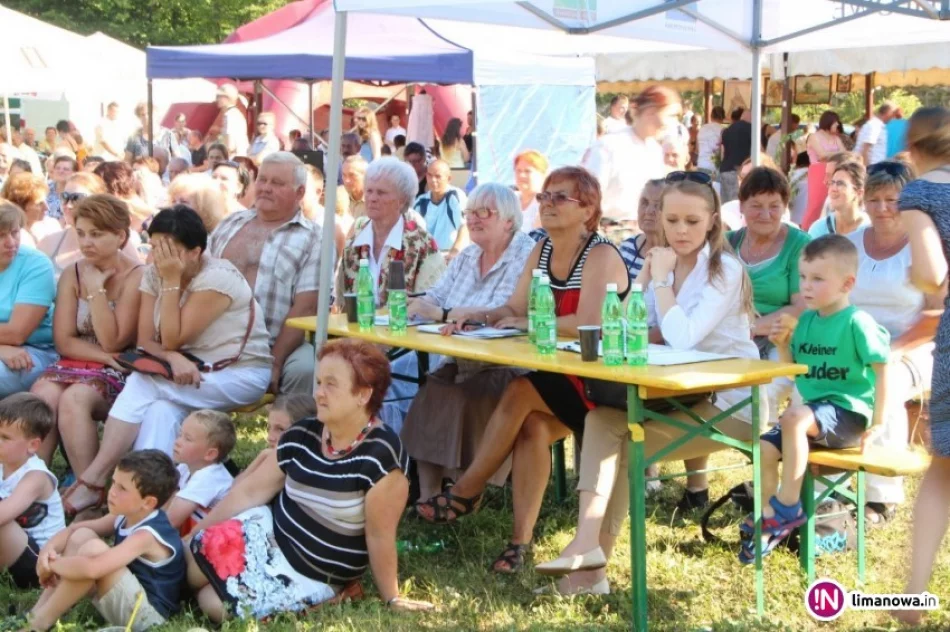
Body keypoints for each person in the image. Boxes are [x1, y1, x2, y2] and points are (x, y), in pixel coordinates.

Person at [534, 171, 762, 594]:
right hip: (677, 393)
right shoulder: (664, 260)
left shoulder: (724, 268)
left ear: (713, 220)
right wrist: (643, 281)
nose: (679, 230)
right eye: (671, 220)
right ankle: (587, 549)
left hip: (729, 406)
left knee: (620, 444)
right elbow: (624, 325)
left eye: (692, 221)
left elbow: (682, 335)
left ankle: (589, 571)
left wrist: (658, 280)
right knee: (603, 419)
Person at [414, 168, 629, 570]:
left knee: (518, 391)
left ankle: (467, 489)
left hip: (599, 378)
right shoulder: (541, 249)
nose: (546, 203)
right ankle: (519, 543)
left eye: (559, 198)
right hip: (558, 374)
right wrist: (479, 317)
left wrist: (528, 322)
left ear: (588, 209)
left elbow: (590, 321)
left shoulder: (600, 254)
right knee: (531, 428)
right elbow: (514, 305)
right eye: (544, 196)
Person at [186, 339, 433, 621]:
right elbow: (248, 494)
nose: (318, 393)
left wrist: (392, 597)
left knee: (215, 605)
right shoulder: (304, 434)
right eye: (318, 382)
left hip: (316, 573)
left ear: (363, 395)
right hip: (268, 536)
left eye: (331, 384)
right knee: (189, 562)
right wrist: (195, 534)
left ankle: (336, 596)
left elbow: (379, 536)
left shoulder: (381, 457)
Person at [61, 206, 272, 516]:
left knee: (144, 382)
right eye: (155, 245)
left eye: (168, 248)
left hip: (239, 374)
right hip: (182, 373)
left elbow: (172, 337)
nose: (159, 255)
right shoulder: (154, 274)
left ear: (195, 252)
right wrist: (172, 357)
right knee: (160, 411)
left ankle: (93, 480)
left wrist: (171, 282)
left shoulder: (217, 278)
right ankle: (149, 496)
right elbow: (148, 341)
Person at [750, 235, 890, 562]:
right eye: (802, 277)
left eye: (817, 279)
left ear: (847, 283)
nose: (806, 287)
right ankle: (770, 514)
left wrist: (879, 421)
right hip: (813, 417)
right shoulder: (806, 322)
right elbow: (795, 371)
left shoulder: (858, 322)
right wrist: (783, 343)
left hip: (848, 415)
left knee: (793, 417)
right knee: (765, 447)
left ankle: (788, 506)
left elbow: (884, 370)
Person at [402, 184, 536, 511]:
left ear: (508, 220)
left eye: (483, 212)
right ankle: (428, 496)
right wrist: (415, 304)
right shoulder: (468, 255)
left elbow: (500, 311)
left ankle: (464, 492)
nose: (473, 219)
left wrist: (442, 314)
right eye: (469, 213)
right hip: (462, 357)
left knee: (460, 393)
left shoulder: (525, 253)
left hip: (507, 362)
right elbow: (438, 294)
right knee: (432, 391)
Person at [847, 161, 941, 524]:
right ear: (864, 201)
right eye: (874, 199)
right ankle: (830, 480)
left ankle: (882, 496)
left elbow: (936, 316)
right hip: (853, 344)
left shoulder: (926, 248)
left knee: (886, 379)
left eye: (892, 199)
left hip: (913, 348)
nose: (883, 208)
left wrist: (893, 349)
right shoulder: (849, 244)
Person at [31, 195, 143, 468]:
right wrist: (104, 357)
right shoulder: (73, 272)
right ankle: (34, 484)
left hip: (125, 369)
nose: (85, 242)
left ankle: (86, 490)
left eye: (96, 234)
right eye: (80, 234)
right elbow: (63, 340)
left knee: (74, 398)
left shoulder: (137, 275)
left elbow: (114, 340)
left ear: (120, 236)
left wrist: (96, 291)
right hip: (87, 360)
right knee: (42, 397)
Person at [891, 107, 950, 625]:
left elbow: (933, 274)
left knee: (944, 467)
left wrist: (916, 273)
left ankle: (912, 596)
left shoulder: (920, 193)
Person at [26, 450, 185, 632]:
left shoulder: (147, 535)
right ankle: (34, 616)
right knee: (82, 535)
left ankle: (39, 624)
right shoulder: (126, 515)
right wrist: (47, 550)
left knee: (94, 551)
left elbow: (93, 568)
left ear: (148, 503)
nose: (112, 492)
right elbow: (73, 530)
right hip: (125, 597)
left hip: (148, 618)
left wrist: (52, 564)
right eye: (114, 482)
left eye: (122, 489)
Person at [209, 152, 323, 395]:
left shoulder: (315, 238)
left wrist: (276, 360)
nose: (266, 188)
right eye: (262, 180)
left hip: (273, 344)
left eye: (278, 183)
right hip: (213, 338)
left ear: (300, 193)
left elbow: (306, 308)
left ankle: (288, 429)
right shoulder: (229, 224)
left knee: (306, 368)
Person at [338, 157, 445, 307]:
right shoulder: (355, 240)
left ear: (401, 200)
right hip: (355, 329)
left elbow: (432, 303)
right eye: (369, 191)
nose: (372, 198)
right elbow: (342, 302)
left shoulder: (422, 244)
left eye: (381, 193)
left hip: (403, 328)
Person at [584, 86, 679, 226]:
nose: (670, 123)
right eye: (668, 115)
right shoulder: (608, 146)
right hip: (609, 232)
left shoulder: (655, 151)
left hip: (645, 233)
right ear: (647, 112)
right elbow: (587, 198)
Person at [0, 394, 65, 590]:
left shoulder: (35, 477)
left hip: (39, 563)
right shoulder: (3, 464)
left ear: (33, 445)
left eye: (5, 437)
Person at [0, 202, 57, 398]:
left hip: (33, 351)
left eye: (14, 232)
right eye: (0, 235)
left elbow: (17, 333)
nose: (10, 242)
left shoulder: (35, 264)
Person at [38, 173, 143, 277]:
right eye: (65, 197)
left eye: (77, 198)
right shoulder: (49, 242)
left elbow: (137, 277)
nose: (68, 205)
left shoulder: (119, 243)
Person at [167, 410, 235, 534]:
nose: (177, 442)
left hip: (219, 541)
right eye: (180, 434)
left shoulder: (209, 477)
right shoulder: (185, 467)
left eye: (187, 439)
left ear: (210, 454)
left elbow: (171, 520)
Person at [234, 392, 316, 487]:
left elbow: (237, 489)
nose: (270, 437)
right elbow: (232, 493)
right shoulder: (271, 460)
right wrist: (262, 457)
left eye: (280, 429)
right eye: (269, 428)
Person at [802, 111, 847, 230]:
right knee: (816, 204)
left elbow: (845, 154)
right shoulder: (813, 136)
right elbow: (822, 155)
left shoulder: (836, 138)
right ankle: (808, 230)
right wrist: (838, 154)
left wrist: (831, 155)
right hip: (818, 172)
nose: (837, 125)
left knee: (831, 202)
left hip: (834, 171)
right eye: (835, 123)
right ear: (828, 122)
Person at [413, 159, 469, 255]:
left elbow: (465, 227)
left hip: (450, 255)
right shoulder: (420, 201)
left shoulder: (455, 196)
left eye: (438, 176)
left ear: (449, 179)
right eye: (429, 175)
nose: (433, 180)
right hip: (427, 257)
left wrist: (454, 252)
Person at [809, 160, 869, 238]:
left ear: (859, 193)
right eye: (832, 183)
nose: (833, 189)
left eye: (840, 184)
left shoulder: (870, 229)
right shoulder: (819, 229)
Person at [619, 178, 664, 280]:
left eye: (658, 205)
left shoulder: (678, 255)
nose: (648, 211)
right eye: (644, 202)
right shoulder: (627, 248)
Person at [1, 174, 63, 247]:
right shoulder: (12, 238)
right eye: (39, 204)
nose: (46, 208)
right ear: (20, 206)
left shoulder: (51, 225)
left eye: (45, 201)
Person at [719, 108, 752, 203]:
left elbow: (722, 152)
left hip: (724, 169)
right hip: (739, 171)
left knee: (725, 204)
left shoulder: (727, 130)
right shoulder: (751, 129)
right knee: (736, 203)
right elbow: (760, 150)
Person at [513, 150, 548, 234]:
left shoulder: (546, 204)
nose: (521, 175)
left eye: (527, 171)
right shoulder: (509, 199)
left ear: (542, 174)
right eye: (518, 171)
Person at [856, 101, 895, 167]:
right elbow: (865, 149)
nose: (893, 118)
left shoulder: (877, 125)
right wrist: (867, 169)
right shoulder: (875, 126)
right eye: (893, 115)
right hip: (872, 169)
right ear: (888, 113)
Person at [216, 84, 249, 157]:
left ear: (228, 98)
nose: (217, 99)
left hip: (233, 158)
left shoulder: (230, 115)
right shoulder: (235, 113)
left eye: (219, 96)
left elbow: (229, 145)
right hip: (239, 157)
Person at [44, 155, 78, 223]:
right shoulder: (44, 187)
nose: (61, 171)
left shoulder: (76, 192)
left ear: (74, 173)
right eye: (57, 168)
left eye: (66, 169)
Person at [342, 155, 368, 223]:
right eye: (344, 175)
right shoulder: (339, 198)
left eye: (352, 175)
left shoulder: (374, 202)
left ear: (365, 175)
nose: (347, 180)